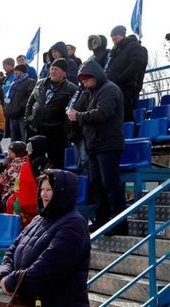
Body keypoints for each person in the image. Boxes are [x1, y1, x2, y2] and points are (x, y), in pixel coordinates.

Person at [0, 169, 91, 307]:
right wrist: (4, 273)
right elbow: (13, 249)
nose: (44, 194)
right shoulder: (39, 219)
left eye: (50, 190)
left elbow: (49, 267)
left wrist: (12, 281)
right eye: (42, 189)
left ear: (63, 192)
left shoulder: (74, 224)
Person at [67, 60, 127, 235]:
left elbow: (103, 113)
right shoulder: (91, 92)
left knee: (110, 184)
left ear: (95, 76)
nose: (84, 84)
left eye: (86, 81)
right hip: (94, 145)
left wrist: (78, 116)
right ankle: (102, 221)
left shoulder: (109, 89)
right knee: (97, 186)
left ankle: (119, 223)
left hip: (108, 144)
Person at [25, 58, 78, 169]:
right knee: (33, 160)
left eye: (56, 69)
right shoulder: (40, 83)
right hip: (36, 128)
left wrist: (65, 129)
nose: (53, 71)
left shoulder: (71, 88)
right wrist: (29, 119)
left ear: (64, 73)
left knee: (55, 162)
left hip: (56, 131)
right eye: (52, 69)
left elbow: (71, 110)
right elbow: (30, 102)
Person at [6, 135, 52, 229]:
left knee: (15, 204)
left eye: (32, 145)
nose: (29, 147)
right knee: (10, 201)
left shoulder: (44, 163)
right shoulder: (30, 161)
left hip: (35, 197)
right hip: (24, 193)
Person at [105, 25, 148, 122]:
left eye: (115, 35)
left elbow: (137, 64)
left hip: (126, 88)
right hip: (114, 87)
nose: (113, 38)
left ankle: (130, 135)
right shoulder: (114, 51)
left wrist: (120, 79)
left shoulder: (133, 45)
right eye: (111, 36)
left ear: (122, 35)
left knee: (126, 115)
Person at [0, 141, 29, 218]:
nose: (8, 154)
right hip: (4, 191)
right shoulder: (8, 162)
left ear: (18, 153)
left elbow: (10, 181)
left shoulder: (22, 164)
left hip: (14, 193)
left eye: (11, 152)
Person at [4, 64, 36, 142]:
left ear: (22, 71)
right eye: (15, 71)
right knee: (14, 141)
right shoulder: (13, 83)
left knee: (23, 139)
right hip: (12, 115)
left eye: (17, 71)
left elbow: (31, 97)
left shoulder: (30, 81)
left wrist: (21, 107)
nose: (15, 72)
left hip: (22, 115)